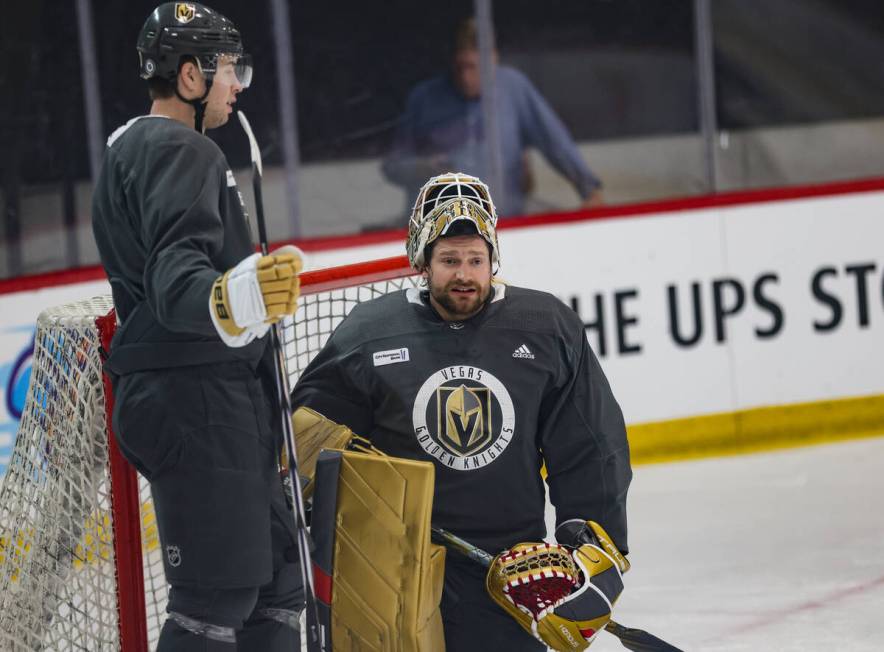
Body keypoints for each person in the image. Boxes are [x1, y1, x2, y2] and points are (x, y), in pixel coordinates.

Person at [292, 172, 631, 650]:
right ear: (423, 263)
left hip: (517, 577)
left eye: (476, 259)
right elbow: (306, 446)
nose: (465, 275)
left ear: (494, 260)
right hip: (396, 577)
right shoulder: (370, 333)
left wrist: (593, 550)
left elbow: (592, 449)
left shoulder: (545, 327)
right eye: (449, 260)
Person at [91, 4, 304, 650]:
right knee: (217, 597)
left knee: (277, 581)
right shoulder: (179, 148)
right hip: (198, 402)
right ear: (190, 76)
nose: (239, 84)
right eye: (228, 69)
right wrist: (238, 297)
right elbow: (176, 278)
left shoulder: (142, 151)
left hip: (203, 400)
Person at [382, 18, 604, 219]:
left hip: (506, 226)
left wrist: (589, 189)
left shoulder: (514, 88)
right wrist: (424, 168)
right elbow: (393, 166)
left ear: (493, 60)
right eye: (460, 67)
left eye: (472, 67)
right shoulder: (424, 98)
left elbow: (555, 143)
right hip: (441, 229)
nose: (465, 77)